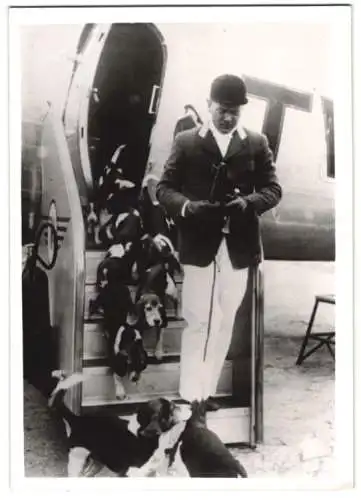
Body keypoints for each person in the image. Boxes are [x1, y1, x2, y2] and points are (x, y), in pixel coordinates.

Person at [156, 74, 282, 410]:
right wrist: (187, 207)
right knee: (198, 318)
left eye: (235, 112)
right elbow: (164, 188)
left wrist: (249, 203)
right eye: (223, 109)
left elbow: (273, 189)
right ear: (210, 104)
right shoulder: (186, 141)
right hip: (199, 246)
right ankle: (189, 394)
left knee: (225, 319)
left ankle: (206, 393)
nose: (229, 117)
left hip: (238, 248)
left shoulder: (256, 143)